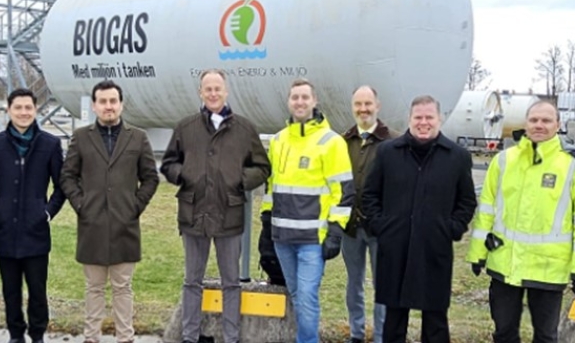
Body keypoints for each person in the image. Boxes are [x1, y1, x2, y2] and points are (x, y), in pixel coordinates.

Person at [466, 100, 575, 343]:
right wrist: (477, 253)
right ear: (526, 123)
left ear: (557, 125)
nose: (539, 125)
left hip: (548, 269)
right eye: (534, 120)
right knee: (504, 334)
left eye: (546, 120)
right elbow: (486, 210)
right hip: (504, 265)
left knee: (546, 337)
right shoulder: (504, 161)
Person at [160, 69, 271, 343]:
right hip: (194, 212)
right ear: (201, 92)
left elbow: (262, 166)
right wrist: (184, 175)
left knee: (231, 282)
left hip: (229, 214)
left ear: (226, 91)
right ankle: (190, 335)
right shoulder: (186, 128)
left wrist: (239, 181)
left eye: (217, 89)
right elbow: (168, 163)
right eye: (207, 89)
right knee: (192, 280)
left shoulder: (244, 129)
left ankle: (231, 337)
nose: (212, 93)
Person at [361, 94, 477, 343]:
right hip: (395, 247)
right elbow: (370, 195)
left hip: (434, 247)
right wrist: (381, 226)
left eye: (429, 117)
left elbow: (467, 201)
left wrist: (452, 228)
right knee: (394, 318)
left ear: (440, 119)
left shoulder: (457, 157)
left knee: (435, 319)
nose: (423, 122)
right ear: (410, 119)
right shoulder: (388, 152)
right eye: (418, 117)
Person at [59, 79, 160, 343]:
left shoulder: (137, 138)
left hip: (125, 226)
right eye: (103, 102)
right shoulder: (81, 138)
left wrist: (135, 207)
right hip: (91, 225)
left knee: (123, 287)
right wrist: (82, 205)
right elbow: (67, 177)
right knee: (93, 288)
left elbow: (150, 178)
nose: (108, 106)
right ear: (94, 106)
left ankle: (125, 337)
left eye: (113, 101)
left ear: (121, 104)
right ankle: (91, 337)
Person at [259, 78, 355, 343]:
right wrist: (267, 223)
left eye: (304, 97)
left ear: (314, 101)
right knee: (297, 296)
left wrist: (335, 231)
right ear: (289, 102)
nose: (300, 102)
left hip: (313, 240)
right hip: (282, 239)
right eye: (295, 98)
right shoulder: (278, 141)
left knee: (307, 298)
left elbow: (344, 192)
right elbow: (271, 186)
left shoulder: (331, 142)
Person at [0, 88, 67, 343]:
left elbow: (62, 185)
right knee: (10, 291)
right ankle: (15, 334)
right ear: (8, 110)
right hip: (4, 230)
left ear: (35, 110)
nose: (23, 113)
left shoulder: (49, 144)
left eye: (28, 108)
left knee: (37, 291)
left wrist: (47, 213)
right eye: (18, 108)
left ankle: (38, 334)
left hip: (35, 231)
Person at [339, 85, 399, 343]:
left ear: (378, 106)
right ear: (352, 107)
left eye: (368, 104)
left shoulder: (394, 142)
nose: (363, 109)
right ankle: (356, 332)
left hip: (381, 229)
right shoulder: (343, 141)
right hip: (350, 227)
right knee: (354, 284)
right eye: (358, 105)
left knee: (382, 285)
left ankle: (382, 335)